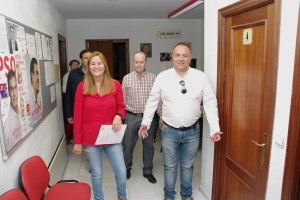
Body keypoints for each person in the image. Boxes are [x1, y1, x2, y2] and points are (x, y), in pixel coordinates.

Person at [138, 43, 223, 200]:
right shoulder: (163, 77)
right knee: (170, 166)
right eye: (177, 55)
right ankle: (169, 195)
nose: (181, 58)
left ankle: (186, 195)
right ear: (172, 57)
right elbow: (152, 101)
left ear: (190, 58)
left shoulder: (200, 77)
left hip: (192, 131)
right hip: (169, 131)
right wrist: (145, 123)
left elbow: (210, 103)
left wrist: (215, 128)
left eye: (185, 55)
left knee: (187, 166)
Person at [72, 51, 127, 200]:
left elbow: (121, 107)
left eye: (99, 63)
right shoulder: (82, 87)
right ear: (88, 67)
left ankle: (122, 196)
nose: (96, 66)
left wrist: (118, 116)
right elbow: (77, 116)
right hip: (91, 139)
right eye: (93, 63)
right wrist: (77, 141)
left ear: (105, 65)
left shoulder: (115, 85)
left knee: (121, 171)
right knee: (97, 173)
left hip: (112, 136)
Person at [122, 51, 160, 183]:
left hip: (148, 118)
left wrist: (160, 116)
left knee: (148, 146)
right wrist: (122, 116)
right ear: (133, 62)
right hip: (131, 117)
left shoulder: (153, 78)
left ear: (146, 62)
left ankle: (147, 170)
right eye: (136, 61)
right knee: (127, 145)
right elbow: (122, 99)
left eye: (141, 62)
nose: (139, 64)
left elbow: (158, 99)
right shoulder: (127, 78)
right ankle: (126, 167)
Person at [65, 49, 92, 137]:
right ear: (81, 60)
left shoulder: (97, 72)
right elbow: (68, 94)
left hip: (93, 110)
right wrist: (69, 114)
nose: (88, 60)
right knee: (82, 135)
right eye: (86, 58)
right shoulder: (73, 74)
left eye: (91, 58)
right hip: (79, 110)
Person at [3, 69, 22, 152]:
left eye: (15, 88)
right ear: (8, 91)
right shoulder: (7, 126)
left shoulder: (22, 112)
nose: (14, 94)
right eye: (11, 89)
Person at [62, 59, 80, 144]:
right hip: (71, 99)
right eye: (74, 64)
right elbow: (65, 90)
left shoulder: (80, 75)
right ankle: (67, 137)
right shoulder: (67, 75)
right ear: (70, 66)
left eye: (77, 64)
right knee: (71, 121)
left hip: (79, 100)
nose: (76, 66)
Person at [29, 57, 42, 126]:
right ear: (32, 75)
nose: (38, 78)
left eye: (38, 74)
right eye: (36, 73)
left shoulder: (39, 95)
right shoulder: (29, 99)